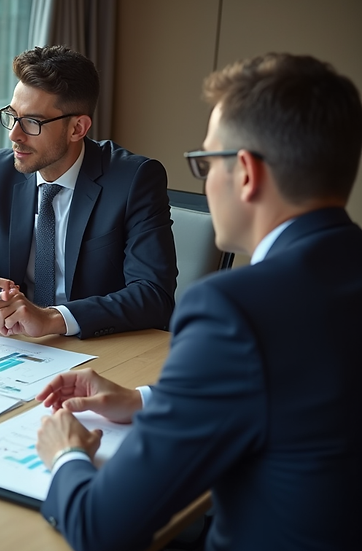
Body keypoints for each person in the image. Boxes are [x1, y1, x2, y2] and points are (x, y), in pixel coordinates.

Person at [33, 53, 362, 551]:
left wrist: (66, 454)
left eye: (207, 162)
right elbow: (302, 391)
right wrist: (145, 400)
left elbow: (100, 528)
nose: (205, 180)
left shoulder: (236, 310)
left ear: (246, 173)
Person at [0, 45, 177, 340]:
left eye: (32, 122)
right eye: (12, 115)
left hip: (100, 349)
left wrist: (52, 318)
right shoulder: (2, 170)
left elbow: (153, 295)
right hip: (18, 346)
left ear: (77, 128)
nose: (14, 135)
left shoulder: (134, 180)